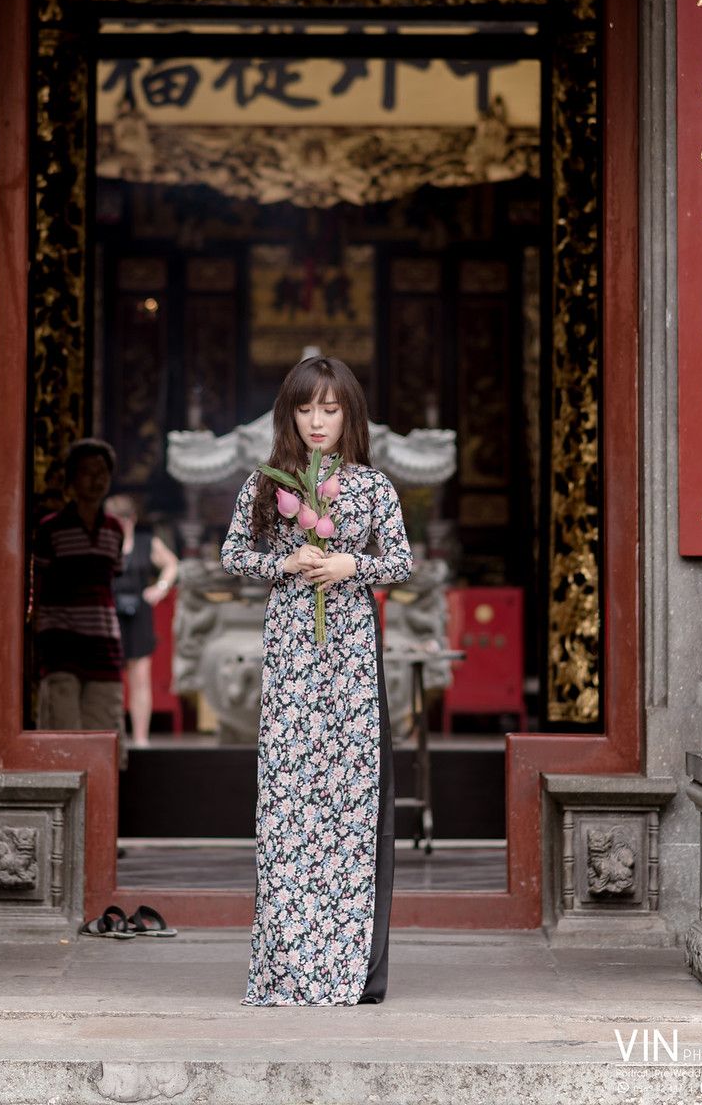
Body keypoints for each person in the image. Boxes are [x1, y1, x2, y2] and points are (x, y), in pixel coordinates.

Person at [220, 355, 412, 1005]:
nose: (317, 421)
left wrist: (347, 565)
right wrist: (287, 562)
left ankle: (347, 969)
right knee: (286, 805)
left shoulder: (373, 486)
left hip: (351, 661)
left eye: (329, 409)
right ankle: (287, 969)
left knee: (348, 805)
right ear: (290, 415)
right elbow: (231, 555)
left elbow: (402, 561)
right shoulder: (266, 483)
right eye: (306, 409)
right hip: (291, 661)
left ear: (348, 414)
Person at [33, 438, 126, 762]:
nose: (96, 479)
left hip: (103, 643)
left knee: (103, 735)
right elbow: (39, 584)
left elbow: (111, 578)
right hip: (61, 642)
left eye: (102, 472)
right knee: (63, 735)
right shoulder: (51, 528)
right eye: (87, 472)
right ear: (71, 479)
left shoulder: (115, 529)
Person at [107, 492, 179, 747]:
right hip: (109, 612)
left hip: (138, 611)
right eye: (114, 519)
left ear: (133, 519)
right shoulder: (103, 543)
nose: (120, 524)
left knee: (140, 677)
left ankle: (140, 737)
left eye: (124, 519)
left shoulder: (146, 542)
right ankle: (112, 737)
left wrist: (160, 587)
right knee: (109, 680)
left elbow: (172, 564)